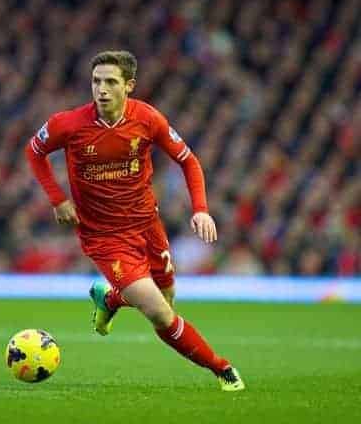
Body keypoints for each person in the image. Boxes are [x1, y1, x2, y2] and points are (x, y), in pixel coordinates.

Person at [25, 50, 244, 391]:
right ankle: (222, 368)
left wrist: (200, 208)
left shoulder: (148, 119)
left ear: (128, 86)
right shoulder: (67, 125)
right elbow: (34, 151)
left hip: (148, 226)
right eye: (97, 81)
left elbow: (188, 161)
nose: (102, 89)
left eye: (111, 82)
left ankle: (110, 299)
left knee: (167, 300)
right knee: (159, 313)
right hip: (104, 237)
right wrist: (58, 199)